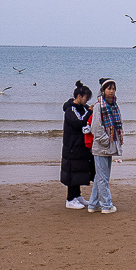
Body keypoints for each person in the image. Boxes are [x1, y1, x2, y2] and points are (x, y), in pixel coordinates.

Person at [88, 78, 123, 214]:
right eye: (109, 88)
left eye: (113, 88)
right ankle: (107, 205)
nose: (111, 91)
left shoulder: (113, 105)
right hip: (101, 147)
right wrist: (106, 141)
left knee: (101, 176)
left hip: (108, 146)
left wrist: (111, 142)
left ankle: (93, 204)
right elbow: (96, 128)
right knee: (103, 178)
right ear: (103, 90)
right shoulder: (99, 106)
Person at [61, 81, 96, 209]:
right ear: (79, 96)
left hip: (81, 145)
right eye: (86, 98)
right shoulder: (70, 109)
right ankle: (70, 199)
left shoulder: (84, 108)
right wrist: (89, 112)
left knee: (79, 171)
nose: (86, 101)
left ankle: (77, 195)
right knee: (72, 171)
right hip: (72, 146)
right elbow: (79, 122)